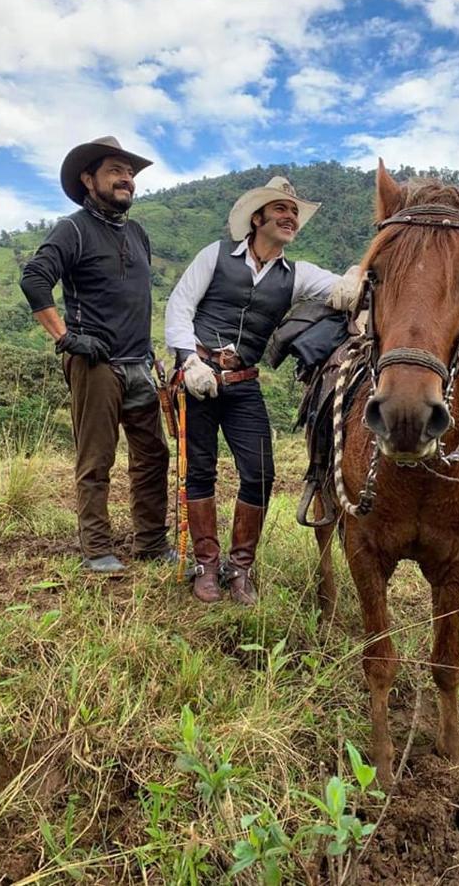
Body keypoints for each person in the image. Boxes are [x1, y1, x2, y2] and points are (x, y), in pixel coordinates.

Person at [165, 176, 359, 605]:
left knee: (261, 472)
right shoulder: (214, 255)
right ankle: (206, 566)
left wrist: (357, 276)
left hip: (243, 382)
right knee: (200, 471)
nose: (290, 218)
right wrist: (188, 361)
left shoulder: (297, 274)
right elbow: (180, 305)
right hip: (199, 376)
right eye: (281, 211)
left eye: (294, 213)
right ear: (257, 218)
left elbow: (342, 290)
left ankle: (241, 568)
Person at [20, 136, 174, 573]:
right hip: (96, 363)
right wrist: (67, 338)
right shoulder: (73, 229)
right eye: (115, 171)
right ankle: (97, 548)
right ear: (89, 180)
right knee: (97, 458)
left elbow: (135, 300)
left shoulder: (138, 233)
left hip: (139, 362)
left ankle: (149, 543)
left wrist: (150, 352)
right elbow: (34, 279)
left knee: (152, 456)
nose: (126, 179)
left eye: (130, 173)